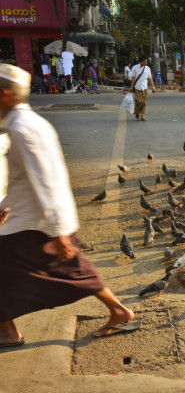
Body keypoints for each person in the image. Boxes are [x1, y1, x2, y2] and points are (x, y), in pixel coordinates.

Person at [0, 64, 138, 348]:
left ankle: (8, 332)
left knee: (75, 271)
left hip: (37, 223)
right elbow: (24, 179)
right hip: (35, 220)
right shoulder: (24, 124)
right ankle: (118, 310)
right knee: (76, 270)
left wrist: (58, 232)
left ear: (4, 95)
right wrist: (6, 204)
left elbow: (46, 179)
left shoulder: (21, 127)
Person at [128, 55, 155, 121]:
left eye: (146, 62)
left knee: (144, 102)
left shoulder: (147, 68)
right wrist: (131, 87)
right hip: (137, 87)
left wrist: (153, 86)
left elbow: (150, 78)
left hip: (145, 87)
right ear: (140, 61)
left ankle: (142, 116)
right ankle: (137, 112)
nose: (146, 63)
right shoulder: (134, 68)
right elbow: (133, 78)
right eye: (144, 62)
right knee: (139, 101)